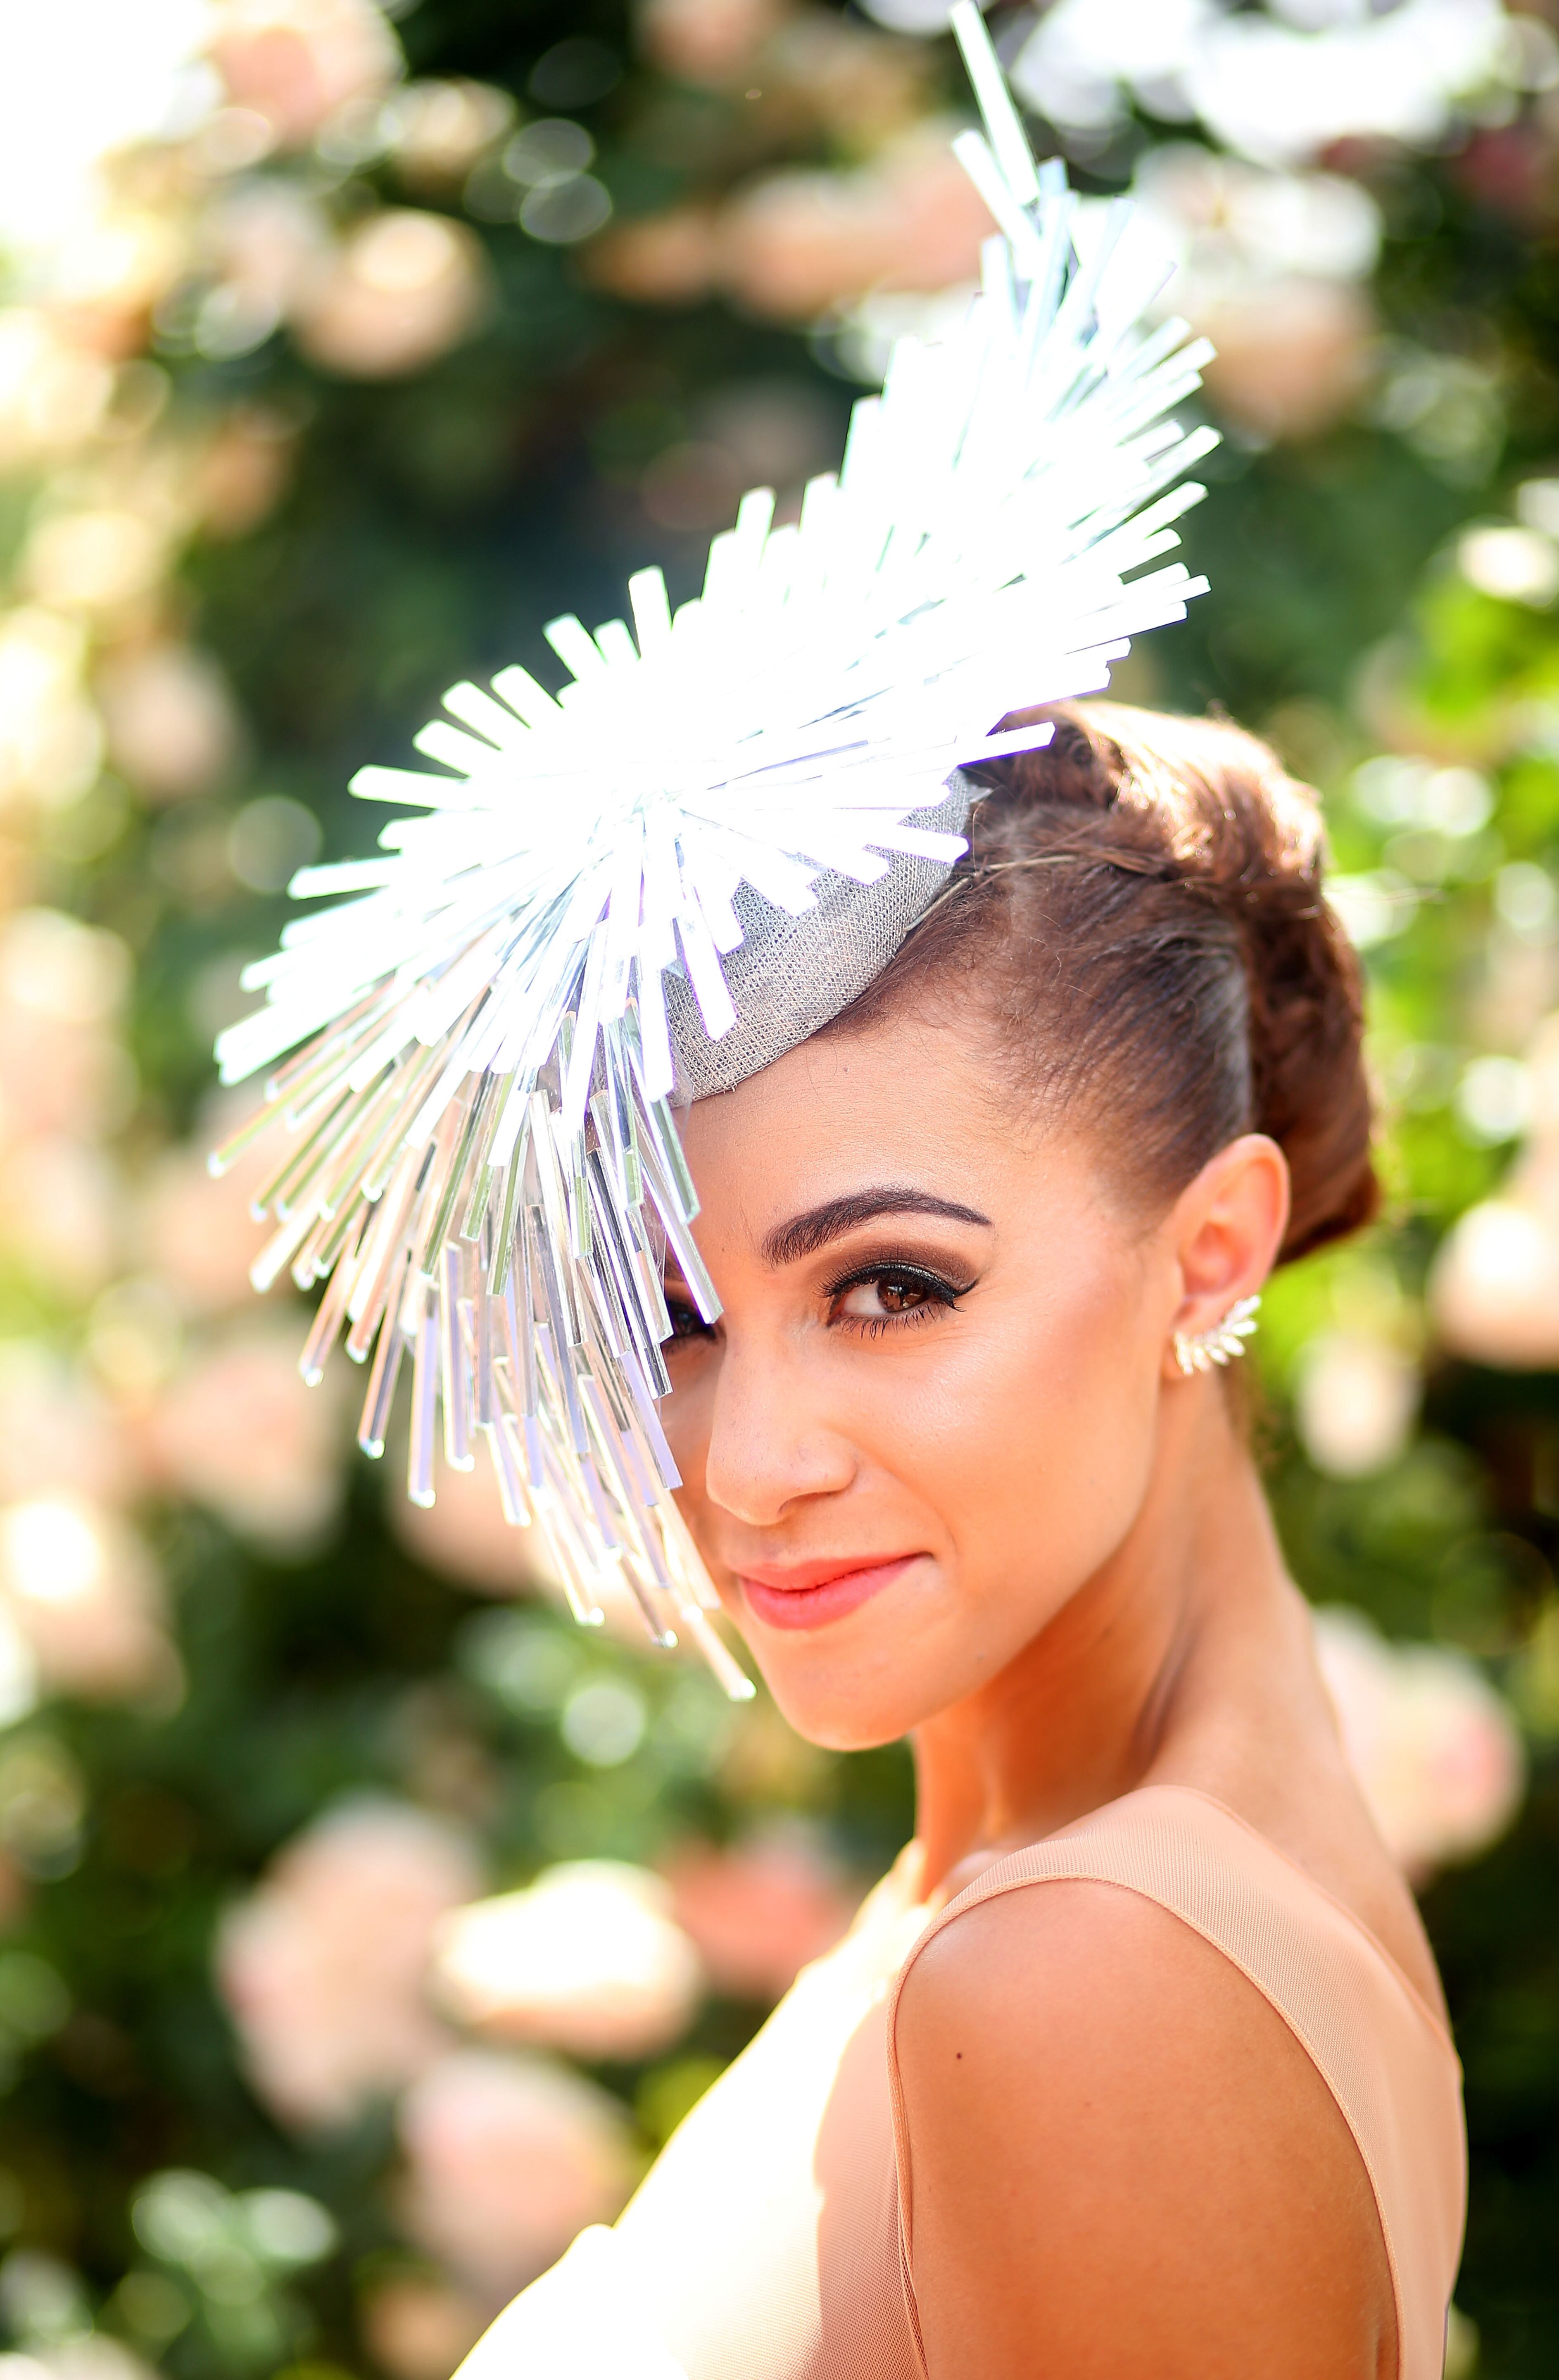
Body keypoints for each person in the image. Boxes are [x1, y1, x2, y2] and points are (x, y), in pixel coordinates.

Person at [454, 700, 1465, 2378]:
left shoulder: (1089, 1984)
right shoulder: (1085, 1894)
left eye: (891, 1288)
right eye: (678, 1322)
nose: (751, 1467)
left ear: (1209, 1256)